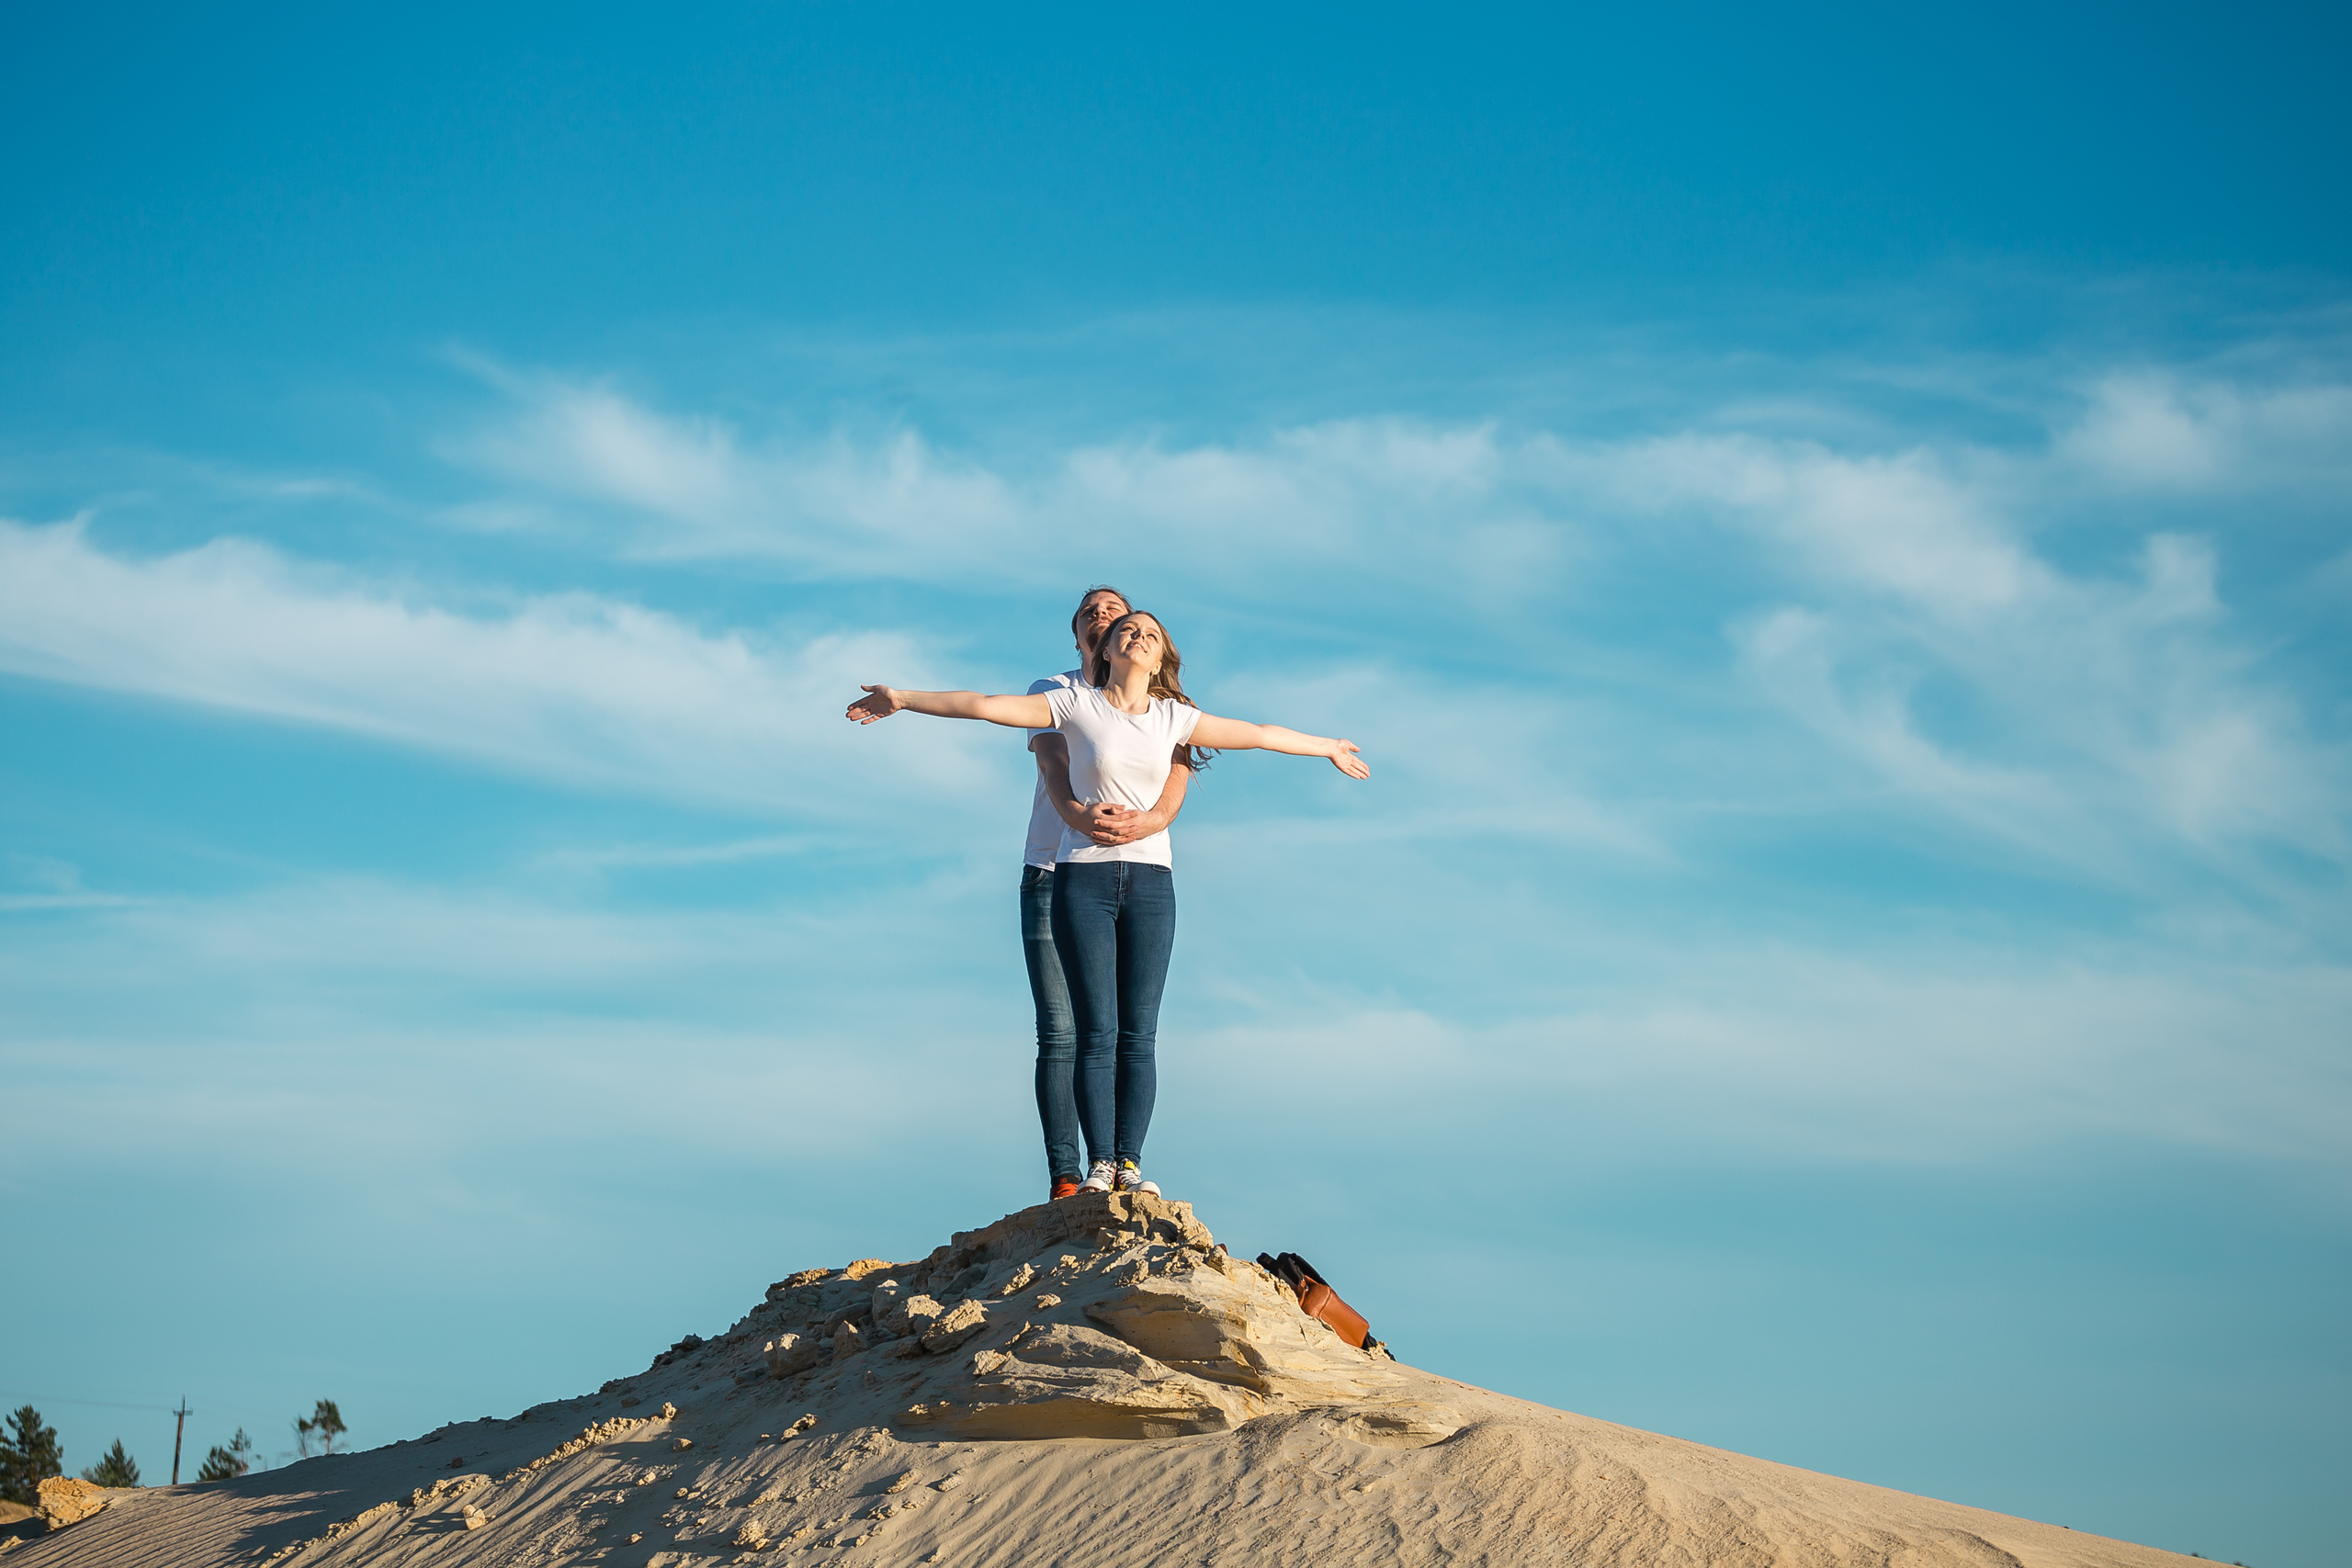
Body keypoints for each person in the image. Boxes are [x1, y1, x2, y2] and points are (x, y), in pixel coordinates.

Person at [845, 607, 1369, 1199]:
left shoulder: (1175, 718)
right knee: (1096, 1031)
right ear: (1105, 651)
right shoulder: (1074, 705)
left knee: (1139, 1034)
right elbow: (983, 705)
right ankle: (1098, 1167)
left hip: (1152, 881)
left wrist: (1326, 746)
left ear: (1161, 655)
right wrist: (904, 697)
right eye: (1128, 630)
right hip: (1081, 877)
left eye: (1150, 631)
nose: (1138, 634)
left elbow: (1260, 735)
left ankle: (1130, 1165)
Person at [1021, 587, 1195, 1202]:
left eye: (1115, 611)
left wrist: (1148, 822)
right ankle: (1072, 1174)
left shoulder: (1164, 705)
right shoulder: (1059, 690)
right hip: (1056, 866)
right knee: (1065, 1031)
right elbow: (1047, 760)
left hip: (1137, 866)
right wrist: (1075, 814)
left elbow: (1180, 770)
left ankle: (1123, 1161)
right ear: (1078, 637)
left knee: (1127, 1029)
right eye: (1090, 612)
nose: (1105, 616)